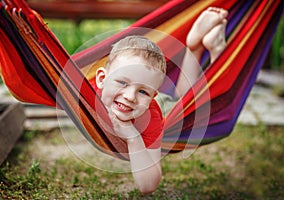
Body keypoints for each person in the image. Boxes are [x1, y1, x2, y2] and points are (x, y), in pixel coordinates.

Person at [95, 7, 228, 194]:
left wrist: (133, 137)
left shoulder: (150, 119)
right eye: (122, 82)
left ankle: (217, 51)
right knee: (183, 95)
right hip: (163, 98)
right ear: (101, 79)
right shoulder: (86, 93)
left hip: (170, 111)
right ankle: (195, 47)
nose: (130, 97)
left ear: (151, 97)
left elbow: (148, 186)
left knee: (199, 104)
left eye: (142, 91)